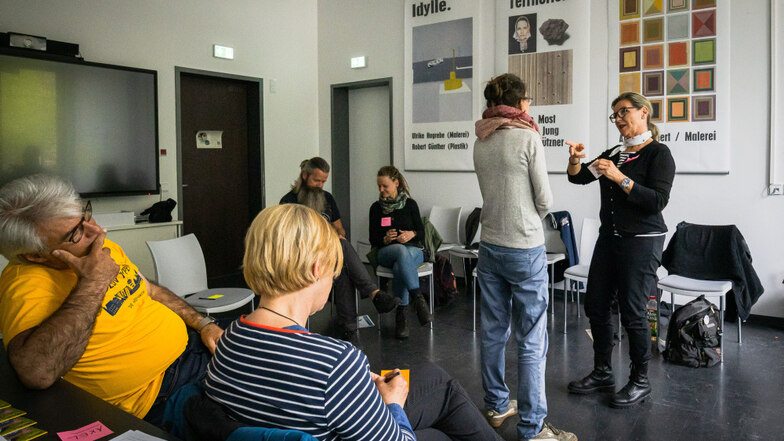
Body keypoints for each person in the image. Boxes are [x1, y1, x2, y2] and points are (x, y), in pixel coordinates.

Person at [204, 203, 503, 441]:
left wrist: (354, 385)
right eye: (334, 270)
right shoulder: (335, 362)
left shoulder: (227, 340)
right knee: (440, 422)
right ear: (316, 269)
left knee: (435, 381)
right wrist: (393, 404)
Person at [0, 174, 221, 426]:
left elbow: (150, 290)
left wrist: (203, 324)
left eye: (86, 215)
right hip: (159, 394)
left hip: (195, 351)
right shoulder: (24, 284)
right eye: (75, 233)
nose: (97, 230)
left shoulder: (96, 246)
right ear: (36, 256)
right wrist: (93, 282)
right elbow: (37, 373)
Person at [473, 73, 575, 441]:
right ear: (518, 104)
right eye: (528, 99)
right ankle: (533, 429)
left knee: (493, 332)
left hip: (490, 245)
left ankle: (497, 405)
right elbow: (545, 200)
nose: (530, 105)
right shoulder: (528, 137)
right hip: (525, 247)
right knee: (532, 339)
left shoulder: (481, 138)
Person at [566, 92, 676, 408]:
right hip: (610, 238)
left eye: (622, 112)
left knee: (632, 310)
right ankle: (602, 371)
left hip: (643, 240)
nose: (617, 119)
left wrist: (619, 177)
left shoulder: (659, 154)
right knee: (596, 304)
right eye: (614, 115)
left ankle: (640, 380)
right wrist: (575, 159)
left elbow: (657, 201)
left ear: (643, 112)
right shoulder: (615, 152)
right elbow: (579, 178)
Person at [280, 157, 399, 342]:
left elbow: (339, 227)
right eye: (316, 180)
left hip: (329, 253)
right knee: (342, 254)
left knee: (342, 259)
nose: (320, 185)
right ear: (304, 176)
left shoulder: (327, 198)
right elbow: (287, 238)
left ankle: (350, 327)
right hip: (304, 257)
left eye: (323, 181)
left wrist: (338, 233)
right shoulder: (288, 202)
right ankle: (373, 294)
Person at [368, 166, 431, 340]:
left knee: (400, 264)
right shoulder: (375, 208)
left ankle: (401, 316)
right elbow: (373, 239)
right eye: (379, 186)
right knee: (399, 251)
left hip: (413, 251)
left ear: (396, 183)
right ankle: (418, 299)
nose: (381, 190)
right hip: (387, 251)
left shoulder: (410, 204)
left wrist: (412, 234)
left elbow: (421, 232)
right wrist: (386, 239)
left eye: (385, 186)